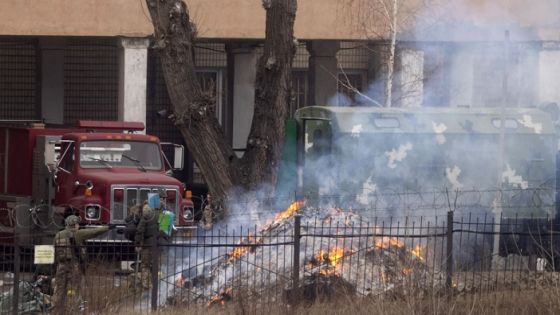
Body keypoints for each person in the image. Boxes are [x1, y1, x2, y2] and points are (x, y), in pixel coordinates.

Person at [52, 215, 110, 313]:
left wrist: (54, 268)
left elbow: (54, 252)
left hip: (61, 266)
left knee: (59, 290)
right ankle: (72, 310)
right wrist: (108, 227)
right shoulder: (78, 234)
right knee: (74, 289)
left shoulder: (58, 235)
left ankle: (57, 311)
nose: (78, 225)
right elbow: (94, 232)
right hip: (74, 266)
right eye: (78, 224)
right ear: (75, 225)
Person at [134, 193, 161, 290]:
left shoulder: (146, 214)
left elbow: (140, 230)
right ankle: (158, 285)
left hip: (147, 244)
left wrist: (138, 243)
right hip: (158, 244)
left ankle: (147, 286)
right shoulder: (163, 214)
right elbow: (167, 231)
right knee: (157, 266)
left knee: (145, 265)